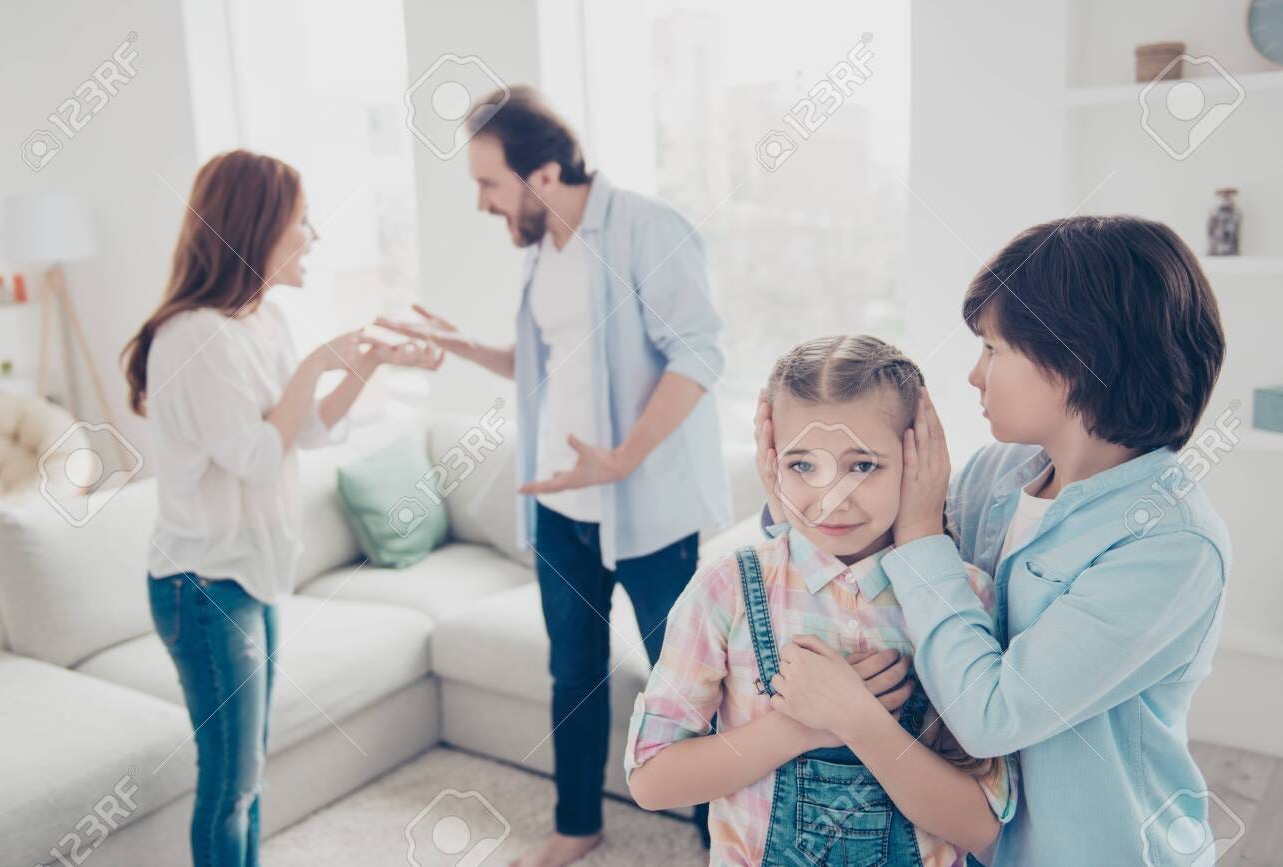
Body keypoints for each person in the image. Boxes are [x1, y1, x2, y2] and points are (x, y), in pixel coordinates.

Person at [763, 216, 1231, 865]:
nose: (974, 375)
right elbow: (868, 560)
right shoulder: (995, 474)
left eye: (992, 348)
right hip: (967, 838)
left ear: (1074, 360)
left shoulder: (1172, 545)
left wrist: (920, 530)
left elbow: (990, 715)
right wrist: (790, 489)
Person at [377, 86, 729, 866]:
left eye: (488, 183)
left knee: (687, 685)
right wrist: (461, 345)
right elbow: (544, 362)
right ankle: (577, 823)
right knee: (572, 672)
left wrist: (624, 457)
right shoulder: (543, 252)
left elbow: (700, 352)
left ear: (542, 175)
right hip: (562, 509)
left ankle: (721, 836)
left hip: (647, 509)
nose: (481, 203)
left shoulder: (646, 228)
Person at [121, 149, 440, 867]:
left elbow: (310, 429)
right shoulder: (194, 335)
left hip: (249, 577)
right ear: (255, 227)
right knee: (230, 784)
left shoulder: (262, 320)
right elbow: (260, 455)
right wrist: (316, 363)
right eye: (302, 221)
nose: (314, 237)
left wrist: (368, 363)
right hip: (203, 585)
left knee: (250, 774)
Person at [626, 335, 1016, 866]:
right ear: (772, 463)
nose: (831, 497)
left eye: (863, 466)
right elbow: (652, 781)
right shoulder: (727, 587)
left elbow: (981, 826)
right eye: (803, 465)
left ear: (916, 458)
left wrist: (858, 721)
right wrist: (800, 728)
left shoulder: (964, 597)